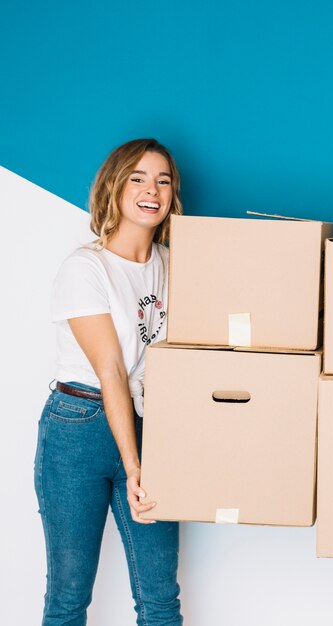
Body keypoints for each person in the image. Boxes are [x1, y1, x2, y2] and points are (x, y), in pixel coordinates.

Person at [34, 138, 184, 625]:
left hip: (150, 423)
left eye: (163, 180)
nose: (151, 189)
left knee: (160, 599)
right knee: (69, 599)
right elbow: (111, 370)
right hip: (78, 427)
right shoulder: (86, 268)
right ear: (115, 187)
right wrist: (134, 464)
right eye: (137, 178)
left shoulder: (175, 267)